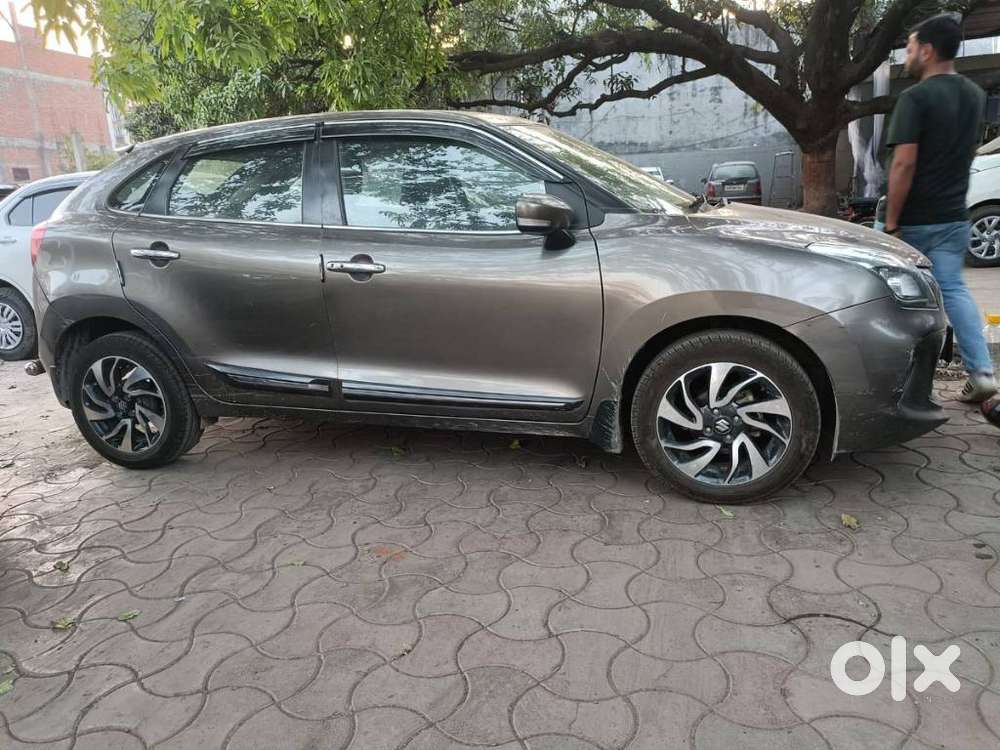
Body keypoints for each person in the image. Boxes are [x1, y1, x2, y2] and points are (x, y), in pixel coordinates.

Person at [883, 13, 997, 403]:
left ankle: (902, 384)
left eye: (910, 48)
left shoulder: (916, 98)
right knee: (953, 291)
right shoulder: (974, 95)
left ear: (927, 51)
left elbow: (904, 164)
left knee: (896, 298)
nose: (907, 55)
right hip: (954, 216)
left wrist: (892, 223)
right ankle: (981, 372)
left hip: (916, 220)